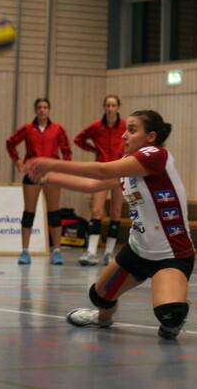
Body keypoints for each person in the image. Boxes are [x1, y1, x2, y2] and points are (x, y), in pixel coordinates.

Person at [25, 110, 193, 339]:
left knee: (169, 316)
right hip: (138, 252)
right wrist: (47, 178)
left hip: (171, 254)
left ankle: (175, 304)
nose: (124, 135)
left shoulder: (156, 155)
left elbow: (102, 169)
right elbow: (91, 184)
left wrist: (53, 164)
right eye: (125, 129)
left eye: (132, 130)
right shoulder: (128, 166)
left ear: (151, 137)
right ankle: (101, 318)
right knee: (100, 297)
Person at [6, 97, 73, 265]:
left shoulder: (58, 129)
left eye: (45, 107)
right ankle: (25, 251)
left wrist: (63, 167)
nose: (42, 110)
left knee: (54, 212)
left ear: (49, 110)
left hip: (51, 173)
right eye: (39, 107)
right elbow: (10, 143)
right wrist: (18, 161)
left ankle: (57, 250)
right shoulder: (28, 129)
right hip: (32, 173)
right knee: (29, 212)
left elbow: (67, 149)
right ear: (35, 110)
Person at [74, 95, 126, 266]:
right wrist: (95, 150)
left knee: (116, 212)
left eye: (113, 105)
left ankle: (109, 253)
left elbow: (135, 141)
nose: (110, 108)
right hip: (101, 170)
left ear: (118, 107)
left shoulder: (125, 126)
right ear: (104, 107)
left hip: (119, 170)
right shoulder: (97, 126)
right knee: (96, 210)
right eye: (108, 105)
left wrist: (126, 156)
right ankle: (91, 251)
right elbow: (79, 139)